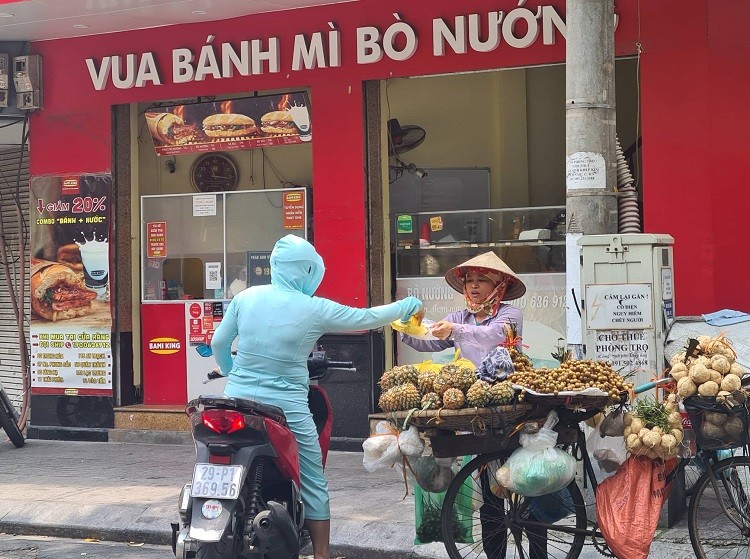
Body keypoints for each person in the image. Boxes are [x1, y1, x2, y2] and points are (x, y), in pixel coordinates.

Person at [210, 234, 423, 559]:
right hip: (286, 408)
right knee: (312, 477)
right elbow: (365, 318)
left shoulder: (246, 297)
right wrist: (406, 306)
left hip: (234, 400)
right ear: (309, 270)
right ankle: (321, 553)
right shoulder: (314, 308)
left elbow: (217, 345)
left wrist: (232, 369)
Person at [401, 251, 526, 368]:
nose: (473, 285)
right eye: (469, 280)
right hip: (470, 387)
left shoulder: (511, 314)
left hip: (505, 385)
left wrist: (454, 330)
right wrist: (407, 325)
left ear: (499, 286)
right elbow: (432, 340)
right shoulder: (457, 318)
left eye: (482, 280)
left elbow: (493, 335)